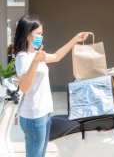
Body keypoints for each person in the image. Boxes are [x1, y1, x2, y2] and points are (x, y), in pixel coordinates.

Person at [13, 14, 92, 157]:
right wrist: (35, 62)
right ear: (26, 35)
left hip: (45, 113)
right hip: (33, 116)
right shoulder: (23, 57)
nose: (40, 37)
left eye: (41, 34)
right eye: (37, 34)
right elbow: (24, 87)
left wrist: (75, 39)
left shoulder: (35, 54)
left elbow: (56, 56)